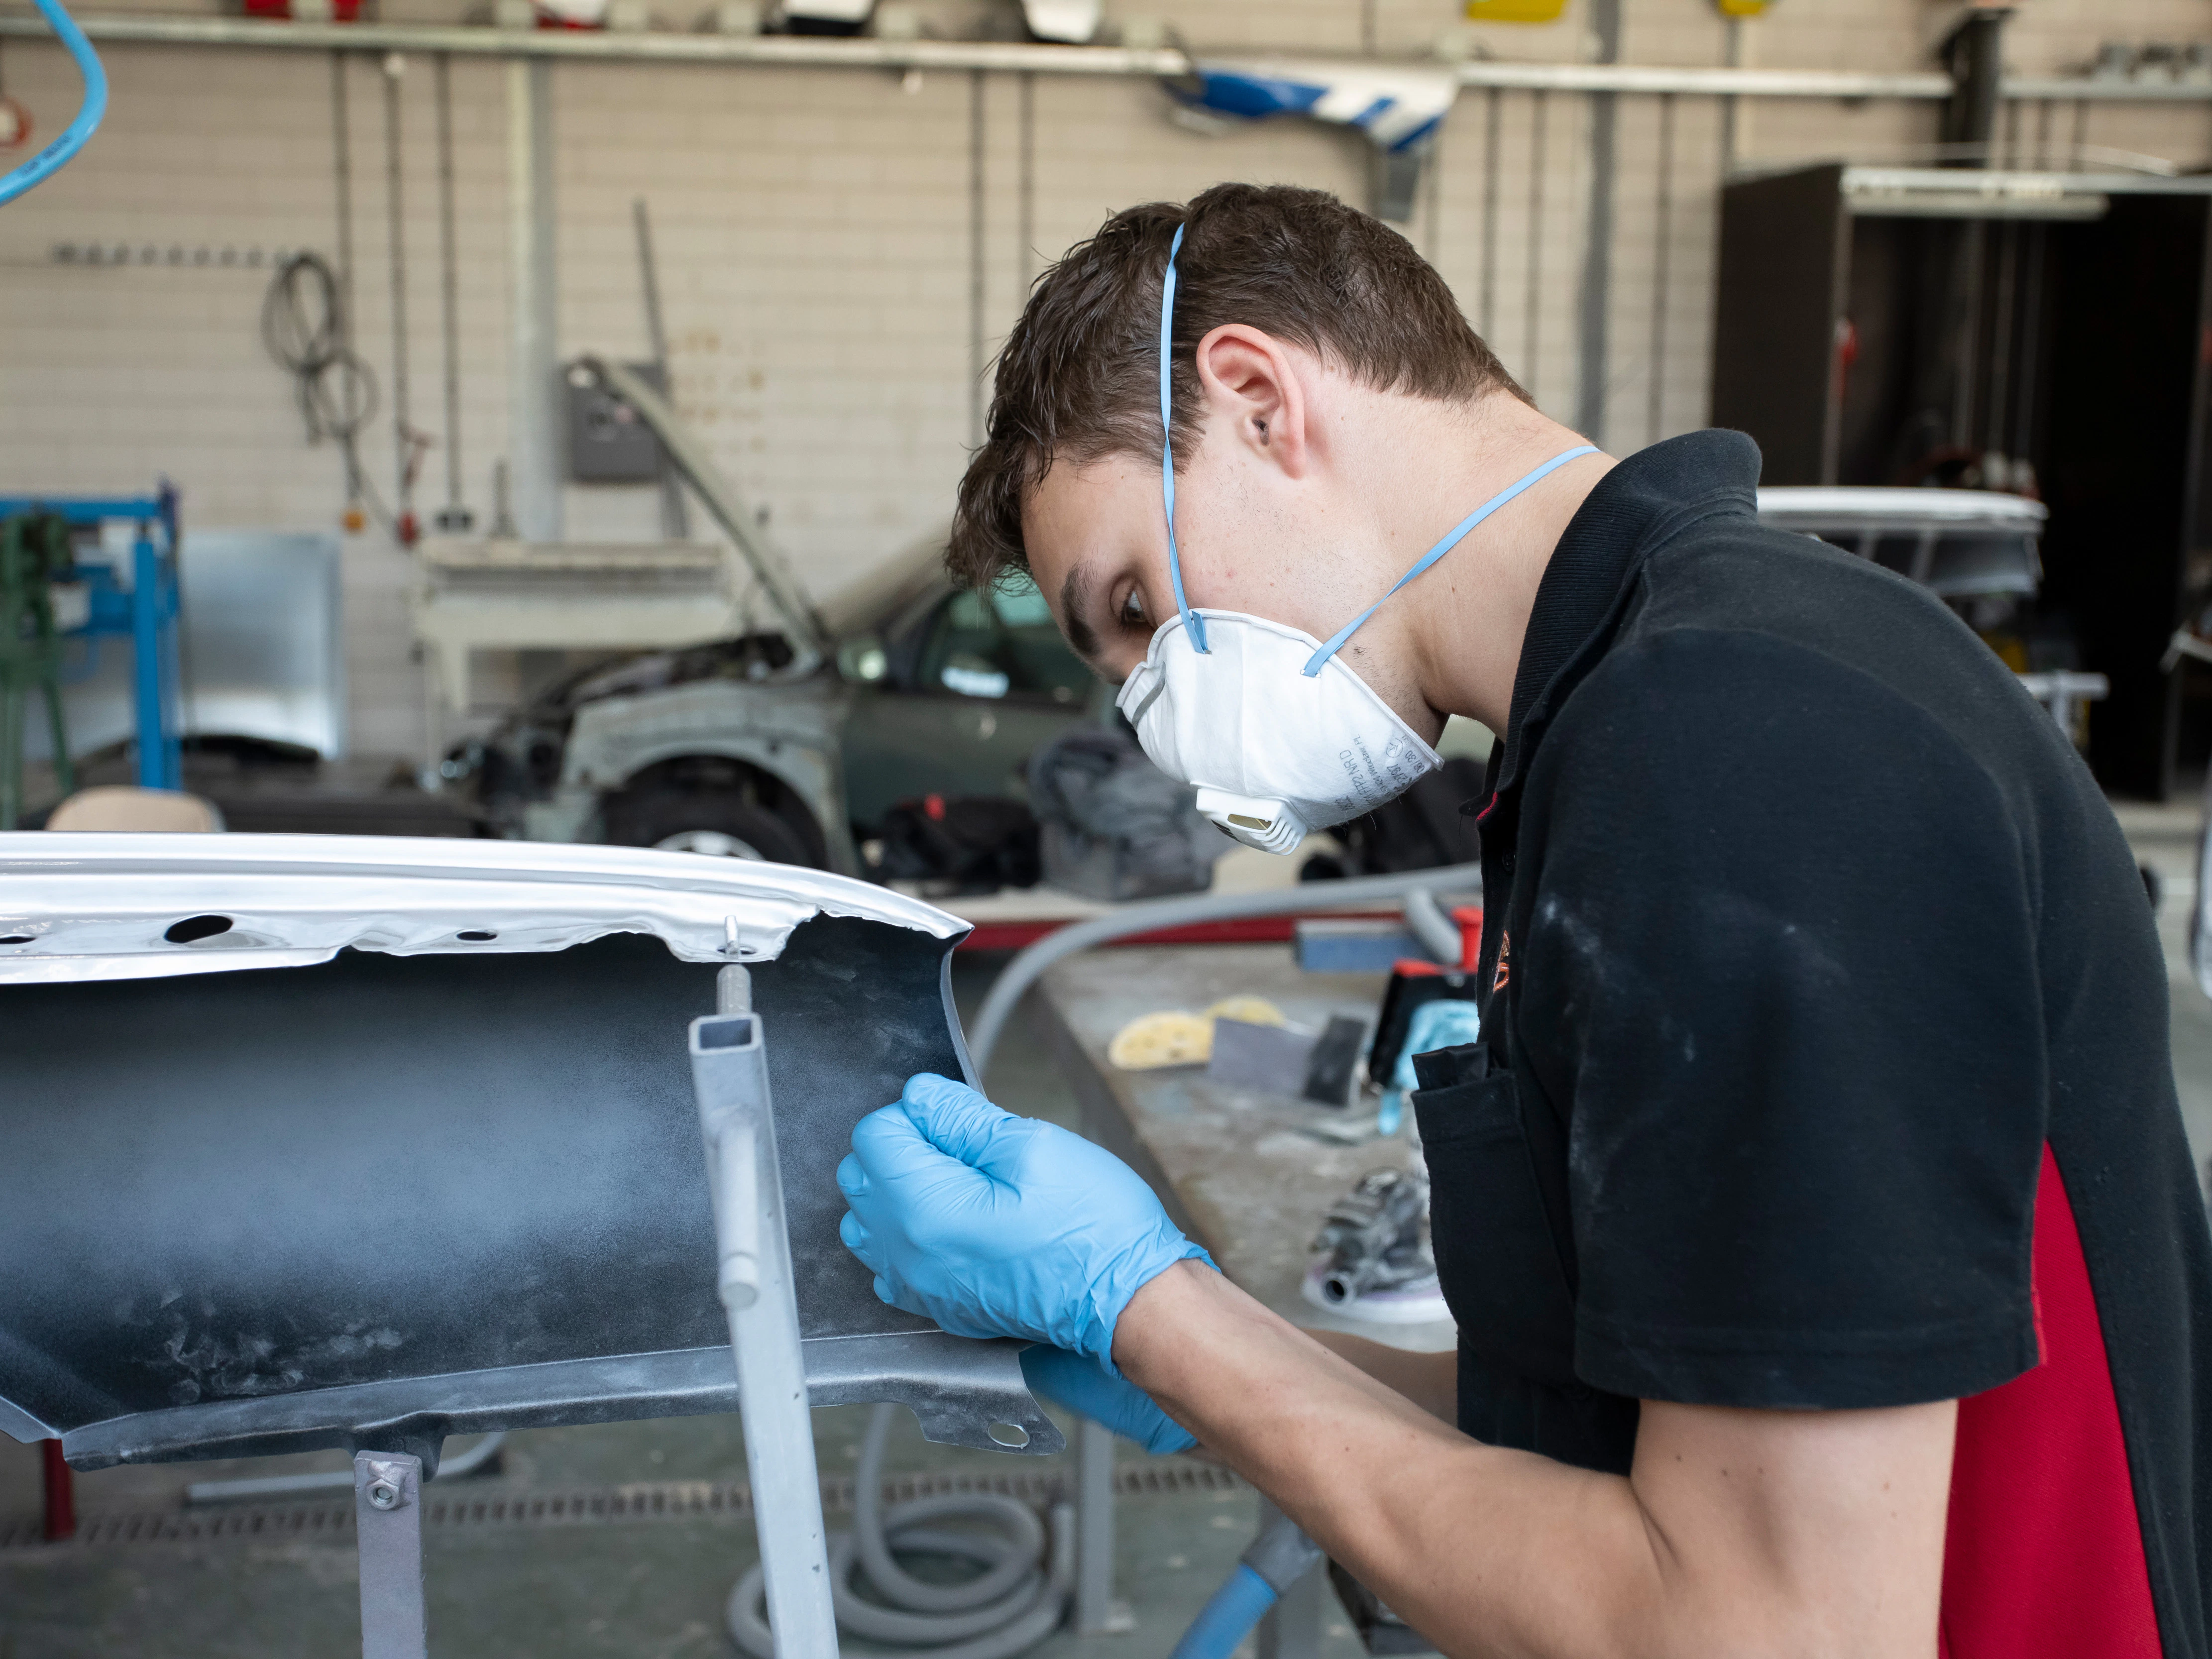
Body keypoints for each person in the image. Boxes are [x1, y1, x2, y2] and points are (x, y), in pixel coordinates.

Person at [835, 183, 2212, 1656]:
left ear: (1253, 397)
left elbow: (1759, 1626)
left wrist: (1158, 1314)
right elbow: (1643, 1415)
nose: (1149, 709)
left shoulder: (1733, 742)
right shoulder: (1647, 708)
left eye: (1130, 600)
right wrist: (1206, 1348)